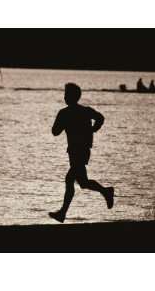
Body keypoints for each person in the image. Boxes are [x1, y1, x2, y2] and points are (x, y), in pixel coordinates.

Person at [49, 83, 114, 223]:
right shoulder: (85, 111)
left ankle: (62, 213)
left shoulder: (64, 113)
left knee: (70, 179)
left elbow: (55, 132)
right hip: (80, 151)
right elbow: (100, 118)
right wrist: (92, 130)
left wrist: (90, 130)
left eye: (66, 95)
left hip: (78, 151)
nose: (65, 97)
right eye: (65, 94)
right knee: (82, 182)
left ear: (72, 97)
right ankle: (106, 192)